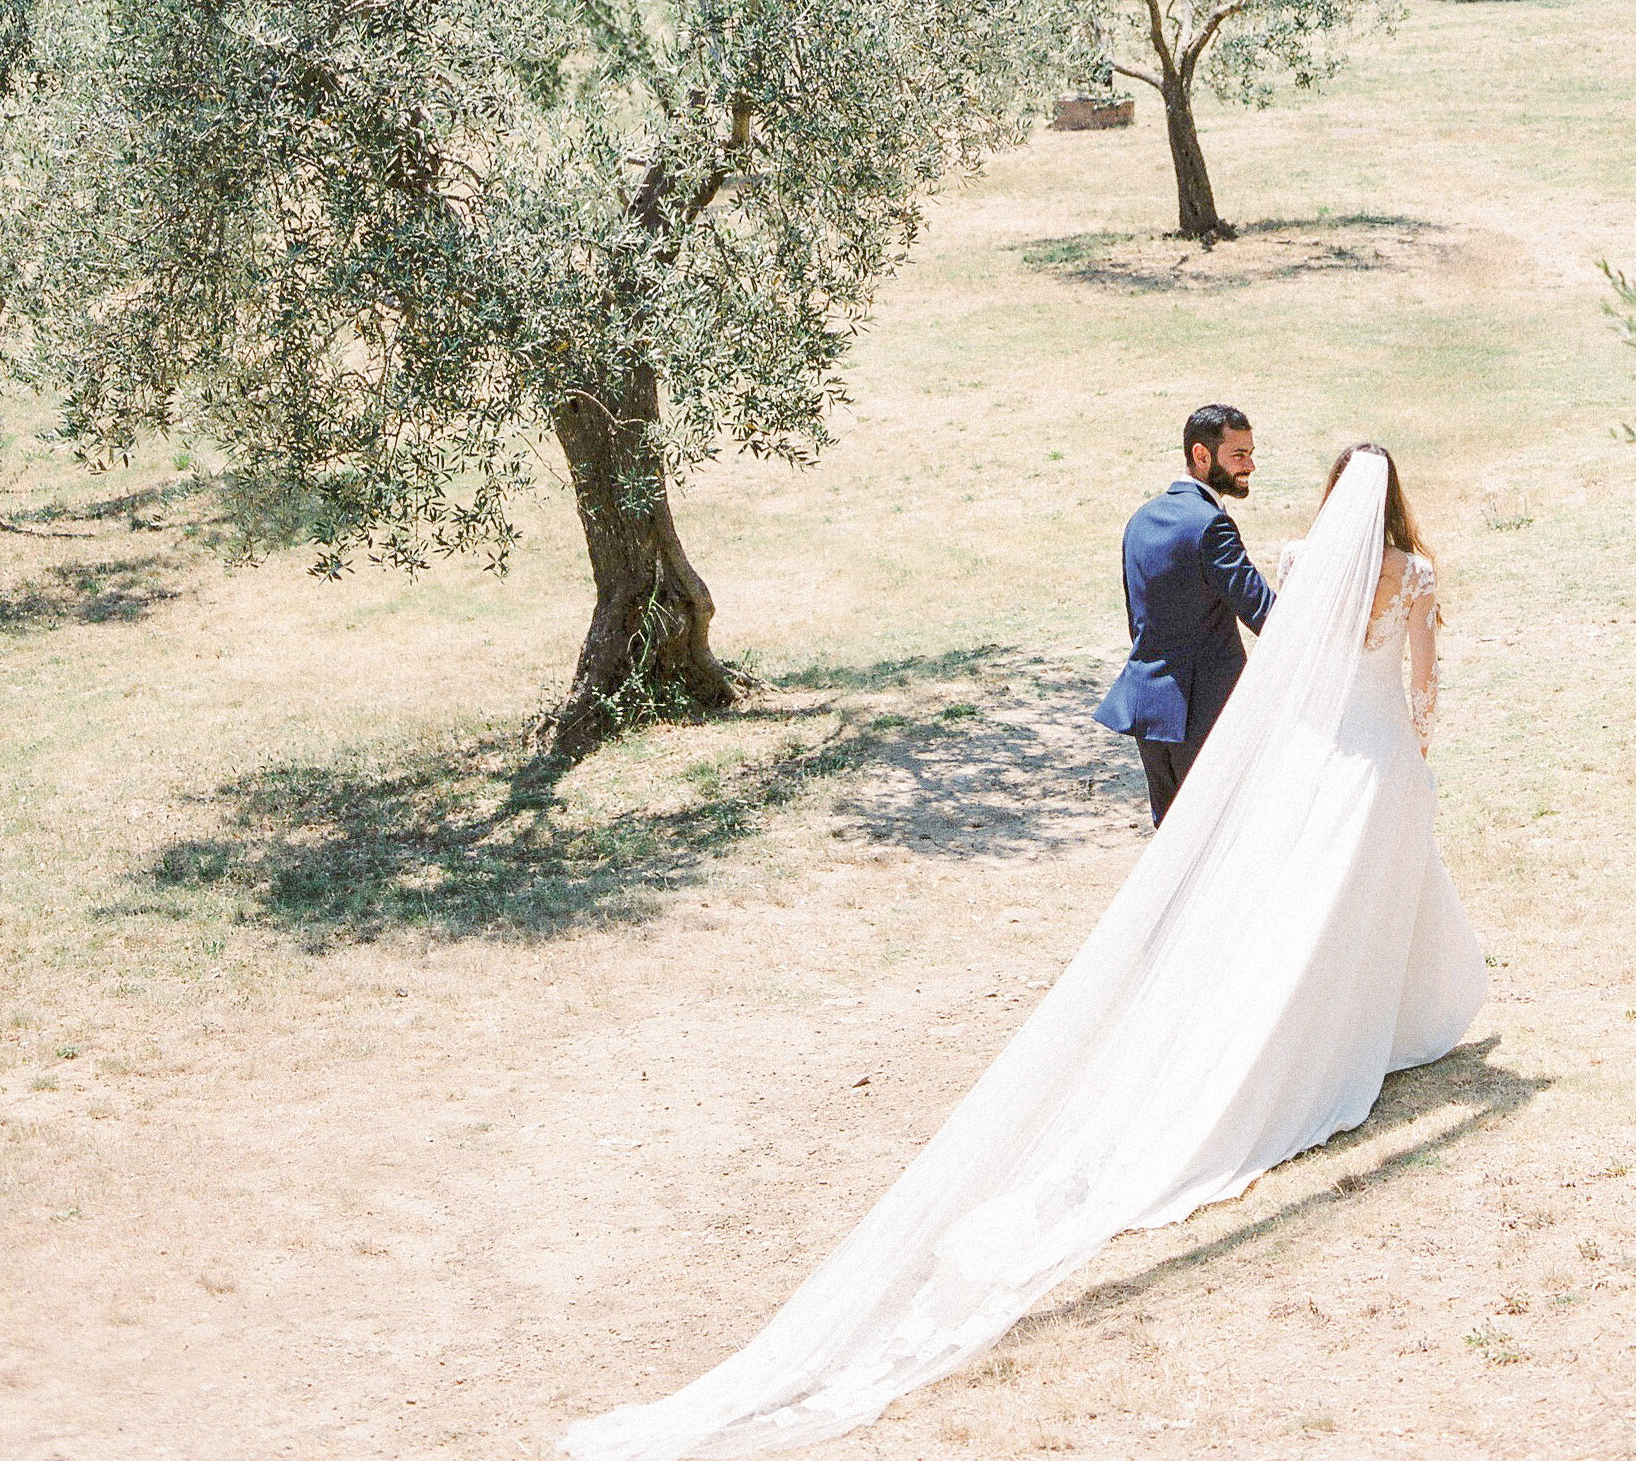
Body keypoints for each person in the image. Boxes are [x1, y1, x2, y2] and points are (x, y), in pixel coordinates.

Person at [563, 442, 1486, 1461]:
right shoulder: (1417, 573)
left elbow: (1284, 659)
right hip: (1376, 752)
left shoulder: (1307, 560)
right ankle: (1361, 1021)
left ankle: (1347, 1012)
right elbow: (1424, 681)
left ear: (1330, 495)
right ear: (1396, 495)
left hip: (1316, 750)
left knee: (1310, 898)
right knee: (1366, 884)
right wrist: (1417, 736)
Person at [1094, 402, 1276, 821]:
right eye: (1239, 455)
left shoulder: (1141, 519)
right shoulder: (1211, 525)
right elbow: (1264, 613)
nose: (1249, 465)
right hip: (1205, 713)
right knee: (1217, 842)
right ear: (1201, 455)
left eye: (1250, 453)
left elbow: (1136, 618)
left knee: (1171, 847)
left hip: (1149, 709)